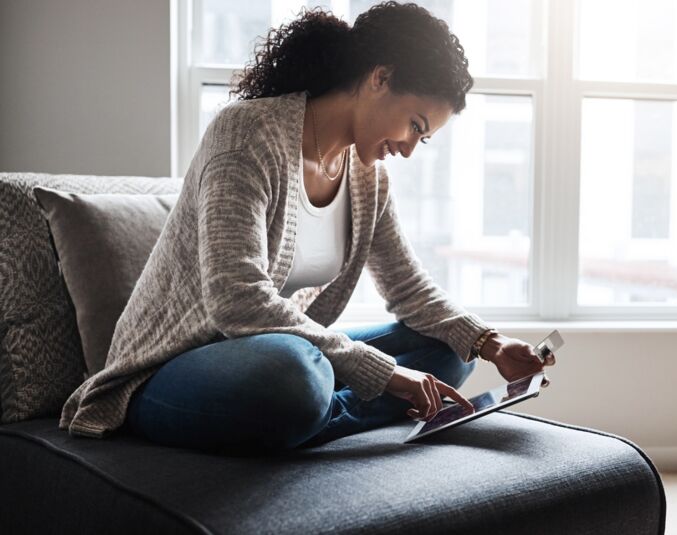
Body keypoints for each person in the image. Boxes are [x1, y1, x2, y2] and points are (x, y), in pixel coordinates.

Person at [58, 1, 554, 453]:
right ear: (380, 77)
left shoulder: (368, 180)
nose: (408, 148)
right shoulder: (248, 134)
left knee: (451, 351)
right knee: (295, 374)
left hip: (275, 354)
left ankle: (312, 416)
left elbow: (408, 288)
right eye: (415, 125)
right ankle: (317, 409)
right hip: (172, 369)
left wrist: (489, 343)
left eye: (421, 139)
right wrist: (383, 375)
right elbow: (236, 300)